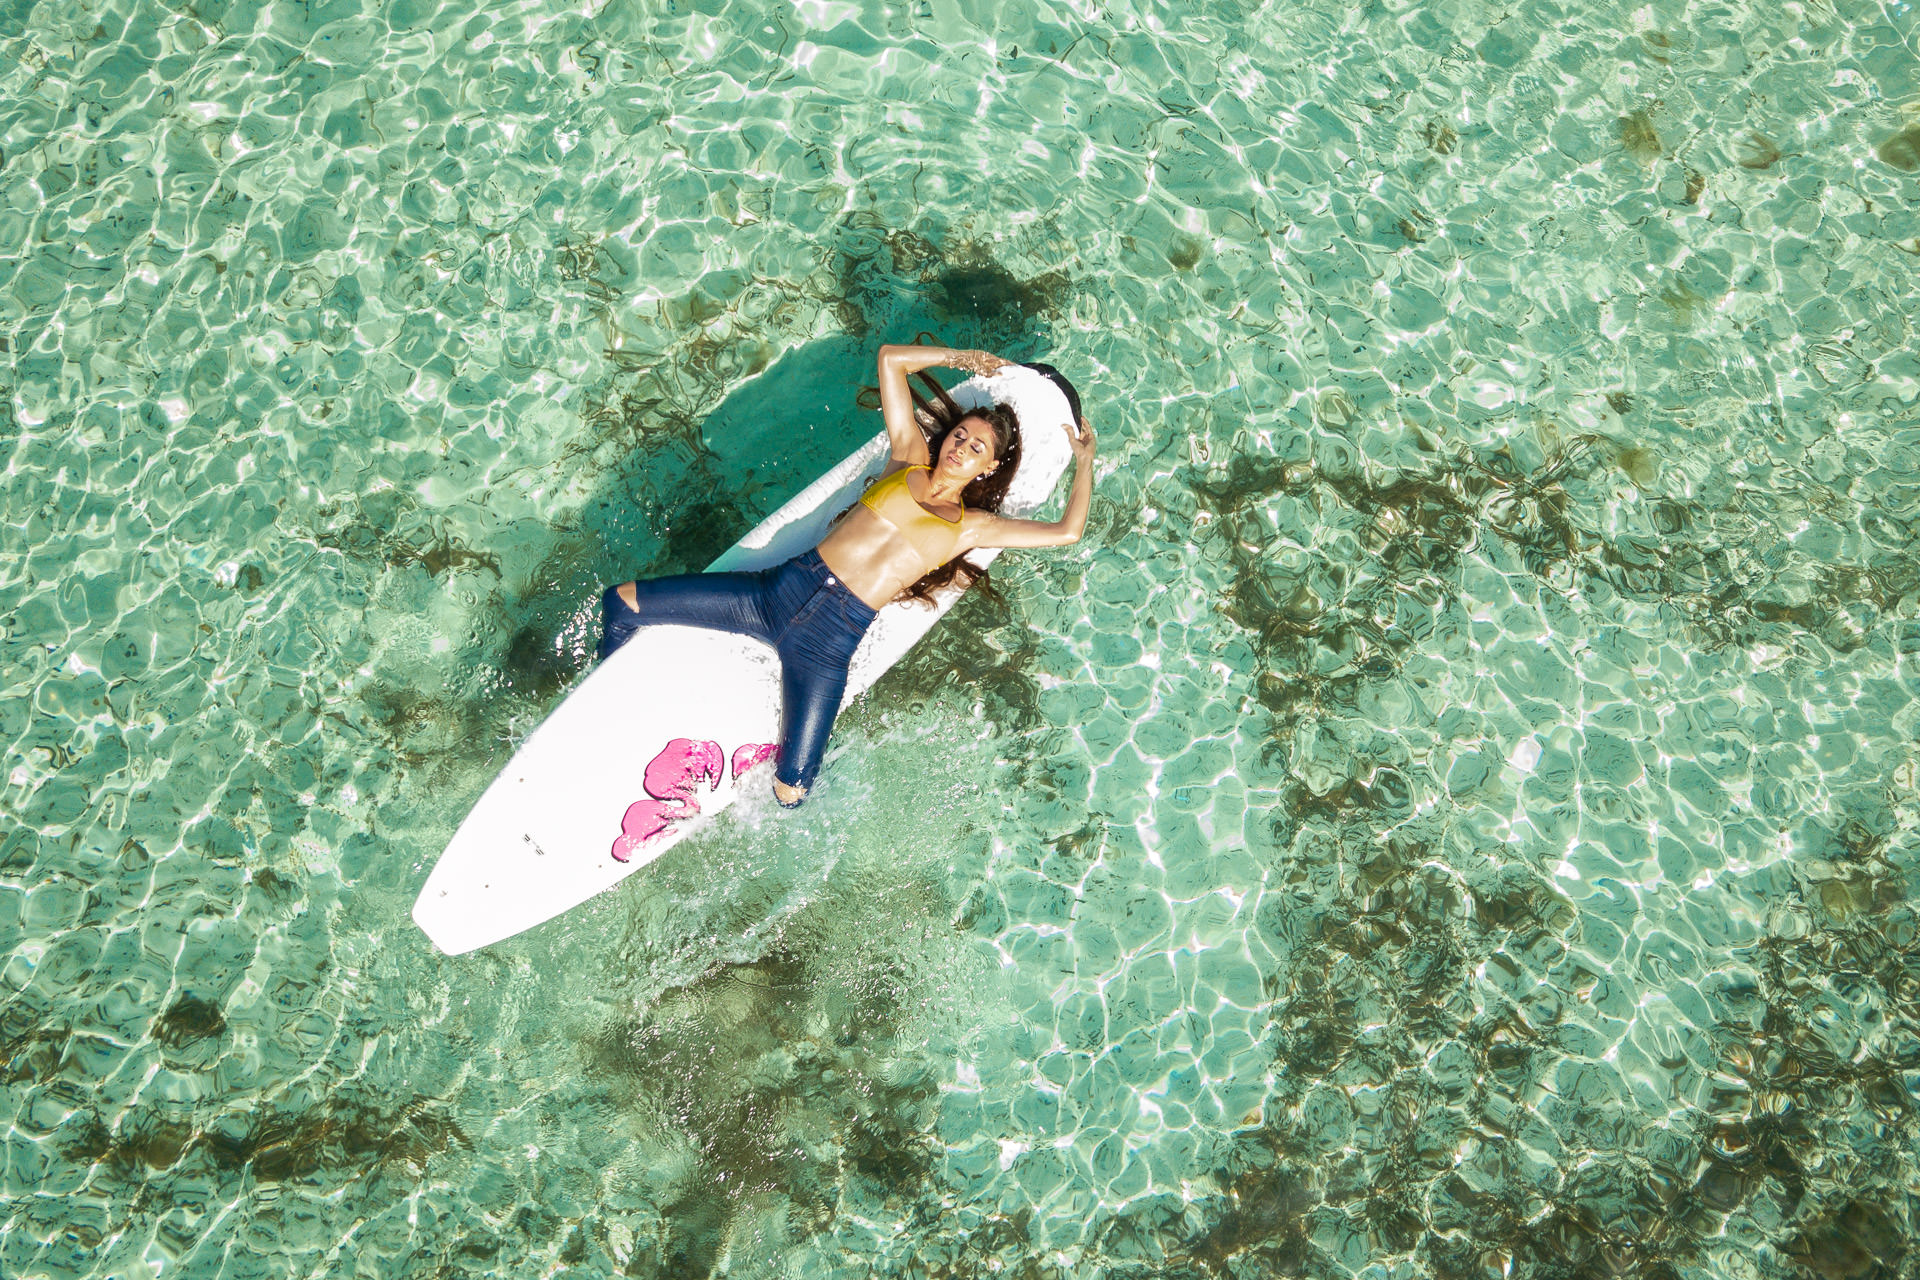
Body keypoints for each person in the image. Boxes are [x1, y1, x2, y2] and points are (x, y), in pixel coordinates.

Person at [597, 343, 1098, 807]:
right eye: (960, 435)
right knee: (621, 601)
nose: (959, 447)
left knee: (792, 789)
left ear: (988, 469)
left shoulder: (973, 527)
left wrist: (1084, 464)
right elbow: (891, 360)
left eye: (975, 449)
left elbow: (1067, 532)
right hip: (773, 593)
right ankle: (604, 690)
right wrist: (964, 357)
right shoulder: (907, 458)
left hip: (829, 643)